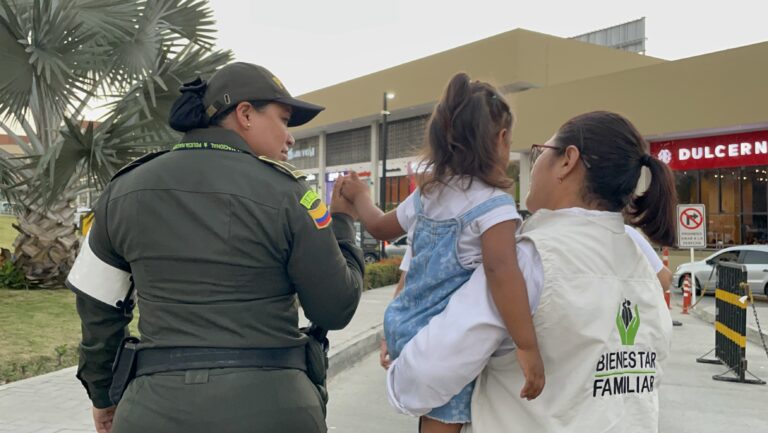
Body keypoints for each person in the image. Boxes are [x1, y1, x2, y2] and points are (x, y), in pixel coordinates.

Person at [66, 62, 365, 433]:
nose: (289, 138)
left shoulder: (124, 191)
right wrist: (342, 223)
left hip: (154, 410)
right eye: (284, 119)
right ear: (244, 114)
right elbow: (335, 308)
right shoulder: (292, 196)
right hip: (275, 410)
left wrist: (102, 396)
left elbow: (97, 309)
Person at [386, 111, 677, 433]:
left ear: (568, 161)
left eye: (540, 152)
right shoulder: (640, 264)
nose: (534, 164)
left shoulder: (529, 258)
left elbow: (431, 370)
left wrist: (399, 372)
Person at [338, 72, 544, 433]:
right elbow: (503, 273)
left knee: (434, 406)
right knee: (446, 410)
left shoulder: (429, 193)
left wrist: (359, 197)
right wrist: (527, 346)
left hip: (405, 324)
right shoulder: (493, 206)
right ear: (499, 139)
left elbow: (380, 228)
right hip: (440, 340)